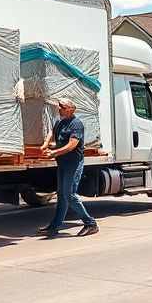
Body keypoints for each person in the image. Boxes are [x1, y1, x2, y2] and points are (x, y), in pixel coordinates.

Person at [38, 98, 98, 238]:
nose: (59, 109)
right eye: (59, 107)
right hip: (63, 163)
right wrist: (46, 144)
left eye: (62, 107)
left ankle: (90, 223)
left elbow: (72, 145)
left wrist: (54, 152)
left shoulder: (76, 124)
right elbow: (51, 132)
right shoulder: (60, 121)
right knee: (62, 195)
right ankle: (54, 227)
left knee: (69, 195)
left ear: (71, 109)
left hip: (73, 164)